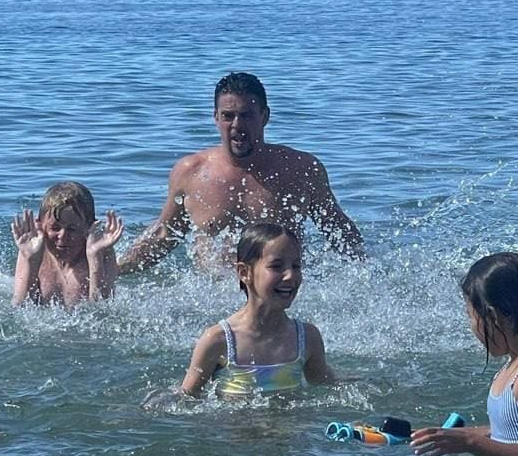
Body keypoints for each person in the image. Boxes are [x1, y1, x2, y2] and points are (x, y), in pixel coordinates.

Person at [120, 72, 365, 271]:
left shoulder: (301, 169)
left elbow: (338, 229)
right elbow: (164, 235)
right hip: (213, 295)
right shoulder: (191, 172)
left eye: (247, 115)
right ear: (216, 118)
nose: (237, 125)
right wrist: (116, 269)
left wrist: (367, 274)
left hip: (281, 293)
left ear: (265, 116)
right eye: (228, 116)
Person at [410, 253, 518, 456]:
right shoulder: (514, 365)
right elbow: (505, 432)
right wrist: (440, 435)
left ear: (493, 316)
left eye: (471, 316)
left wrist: (469, 442)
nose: (471, 327)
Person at [180, 222, 337, 397]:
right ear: (244, 272)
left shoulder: (307, 337)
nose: (290, 275)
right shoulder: (219, 340)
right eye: (276, 266)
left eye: (296, 266)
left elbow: (326, 384)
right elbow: (186, 397)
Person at [11, 181, 124, 306]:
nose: (63, 236)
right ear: (40, 225)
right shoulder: (32, 247)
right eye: (55, 228)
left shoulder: (101, 251)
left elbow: (102, 311)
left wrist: (94, 256)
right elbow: (19, 307)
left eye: (72, 229)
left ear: (89, 227)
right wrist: (31, 260)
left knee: (124, 266)